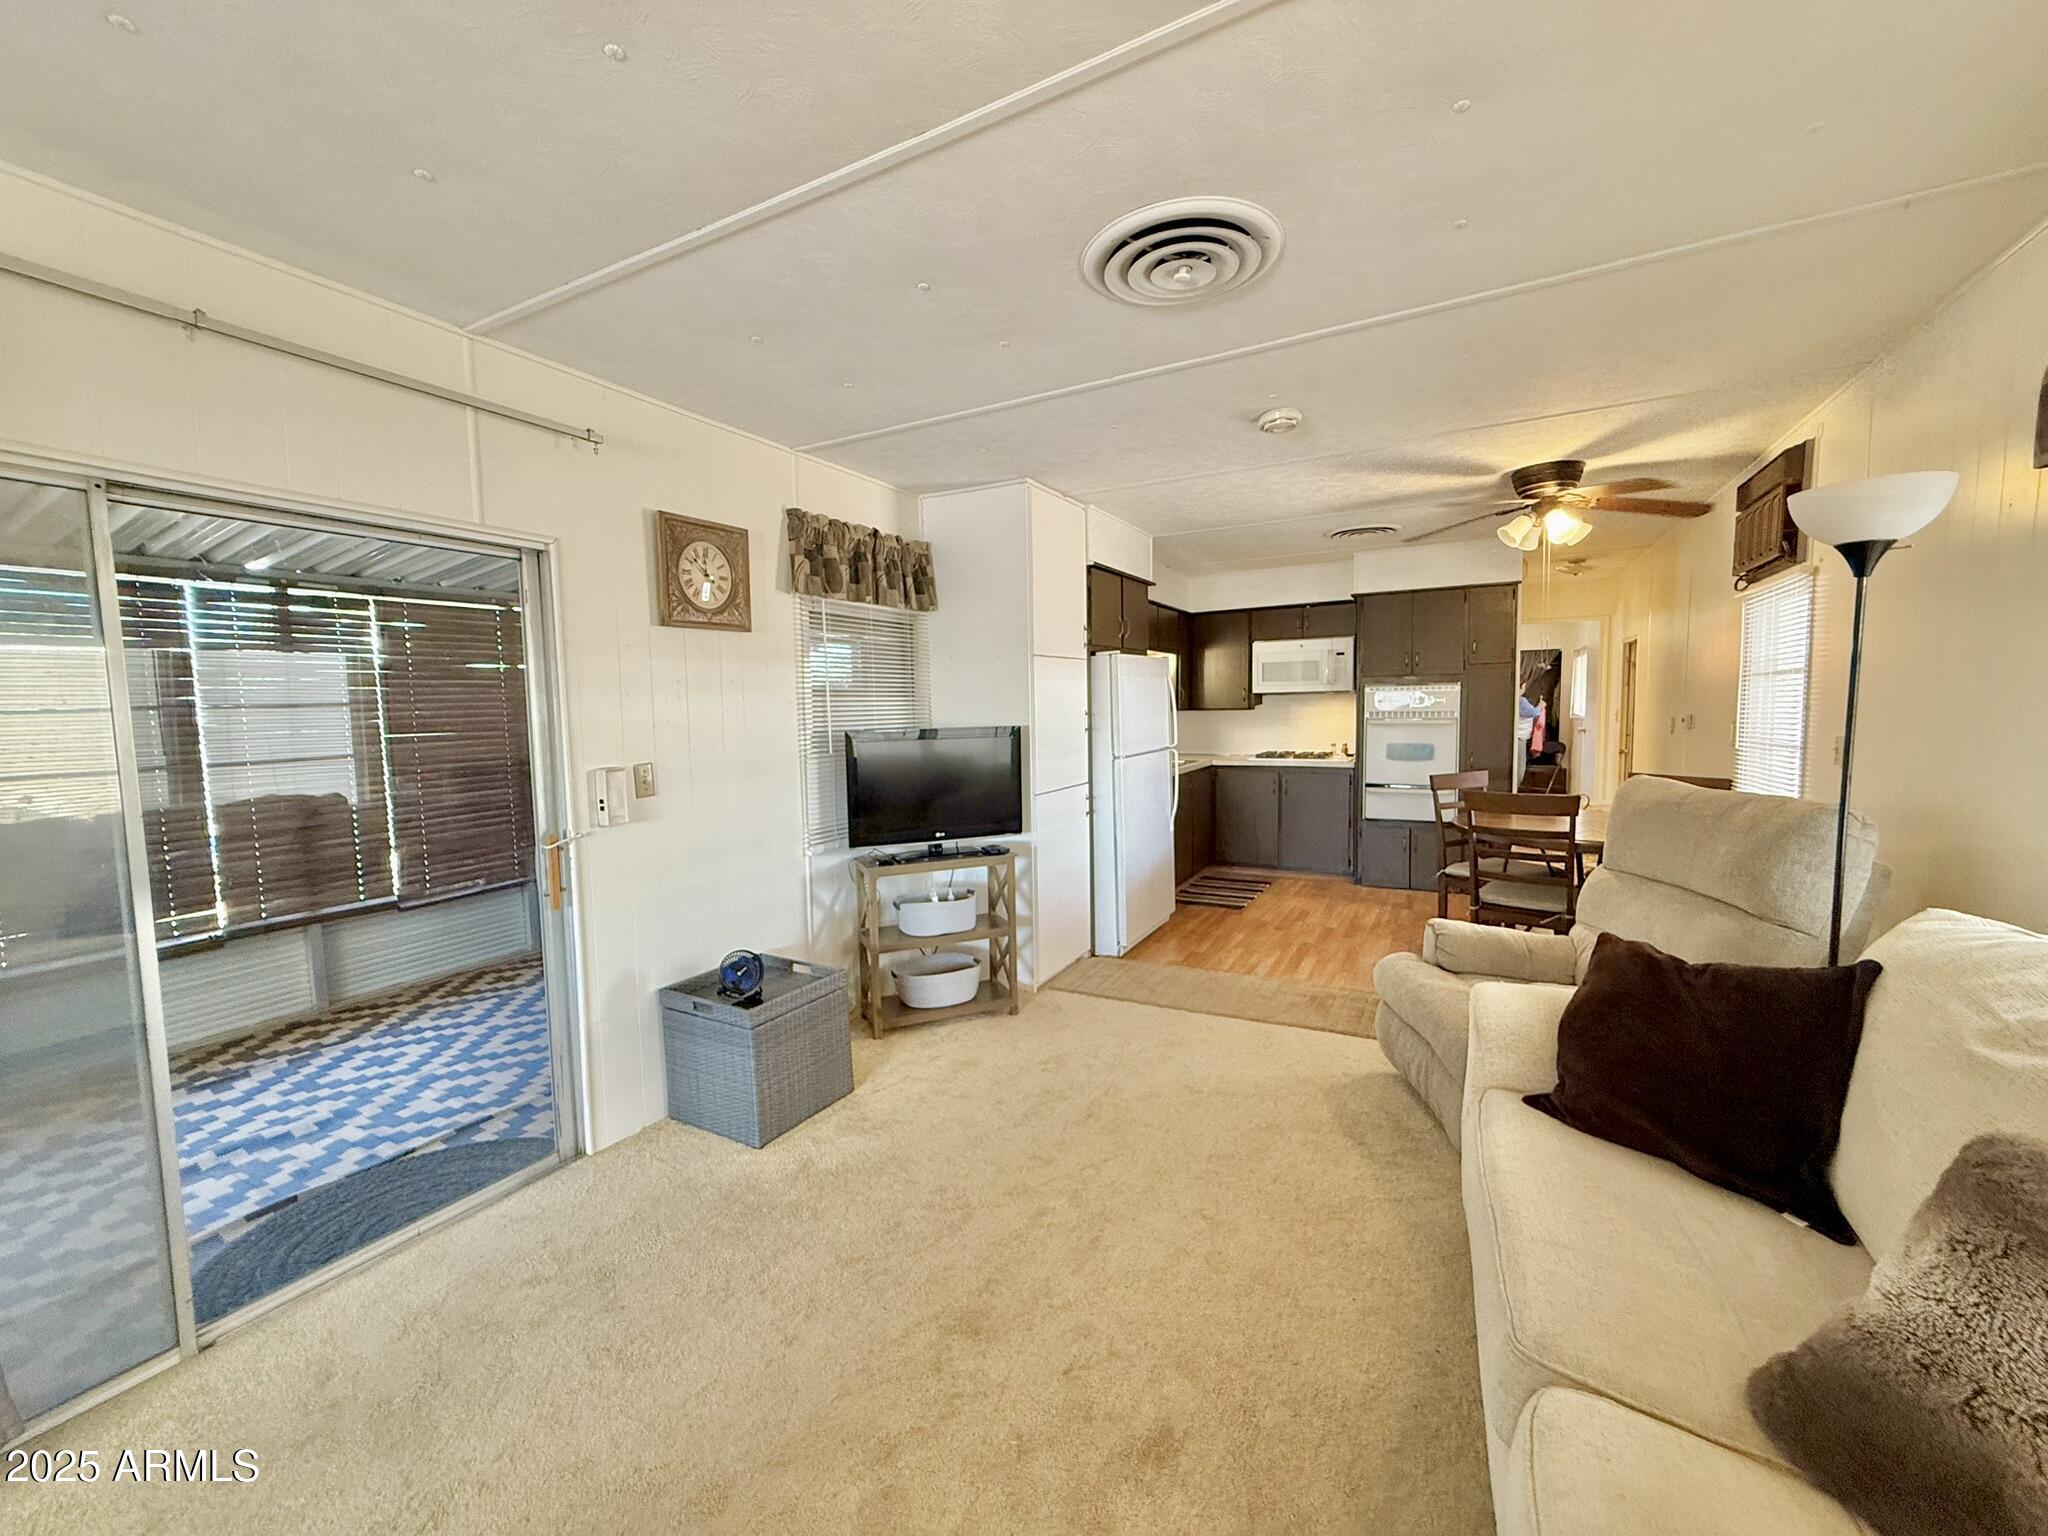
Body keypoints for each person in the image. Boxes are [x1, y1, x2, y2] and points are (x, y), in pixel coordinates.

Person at [1516, 689, 1540, 790]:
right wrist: (1540, 707)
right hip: (1520, 737)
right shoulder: (1521, 701)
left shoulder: (1511, 699)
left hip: (1517, 736)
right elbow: (1532, 712)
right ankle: (1516, 788)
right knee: (1520, 767)